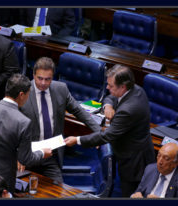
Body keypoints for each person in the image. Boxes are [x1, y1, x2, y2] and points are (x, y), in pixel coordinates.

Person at [65, 64, 156, 197]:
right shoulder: (135, 89)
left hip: (135, 161)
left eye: (111, 85)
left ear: (123, 86)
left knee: (130, 194)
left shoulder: (129, 110)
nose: (107, 88)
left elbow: (107, 136)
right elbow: (111, 97)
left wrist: (77, 139)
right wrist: (108, 106)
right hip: (132, 150)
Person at [20, 57, 101, 183]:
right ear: (33, 75)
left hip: (51, 156)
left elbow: (79, 111)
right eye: (39, 78)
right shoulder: (23, 91)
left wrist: (99, 131)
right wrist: (17, 155)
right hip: (27, 155)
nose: (43, 83)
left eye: (47, 79)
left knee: (59, 192)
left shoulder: (61, 89)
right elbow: (11, 126)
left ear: (53, 77)